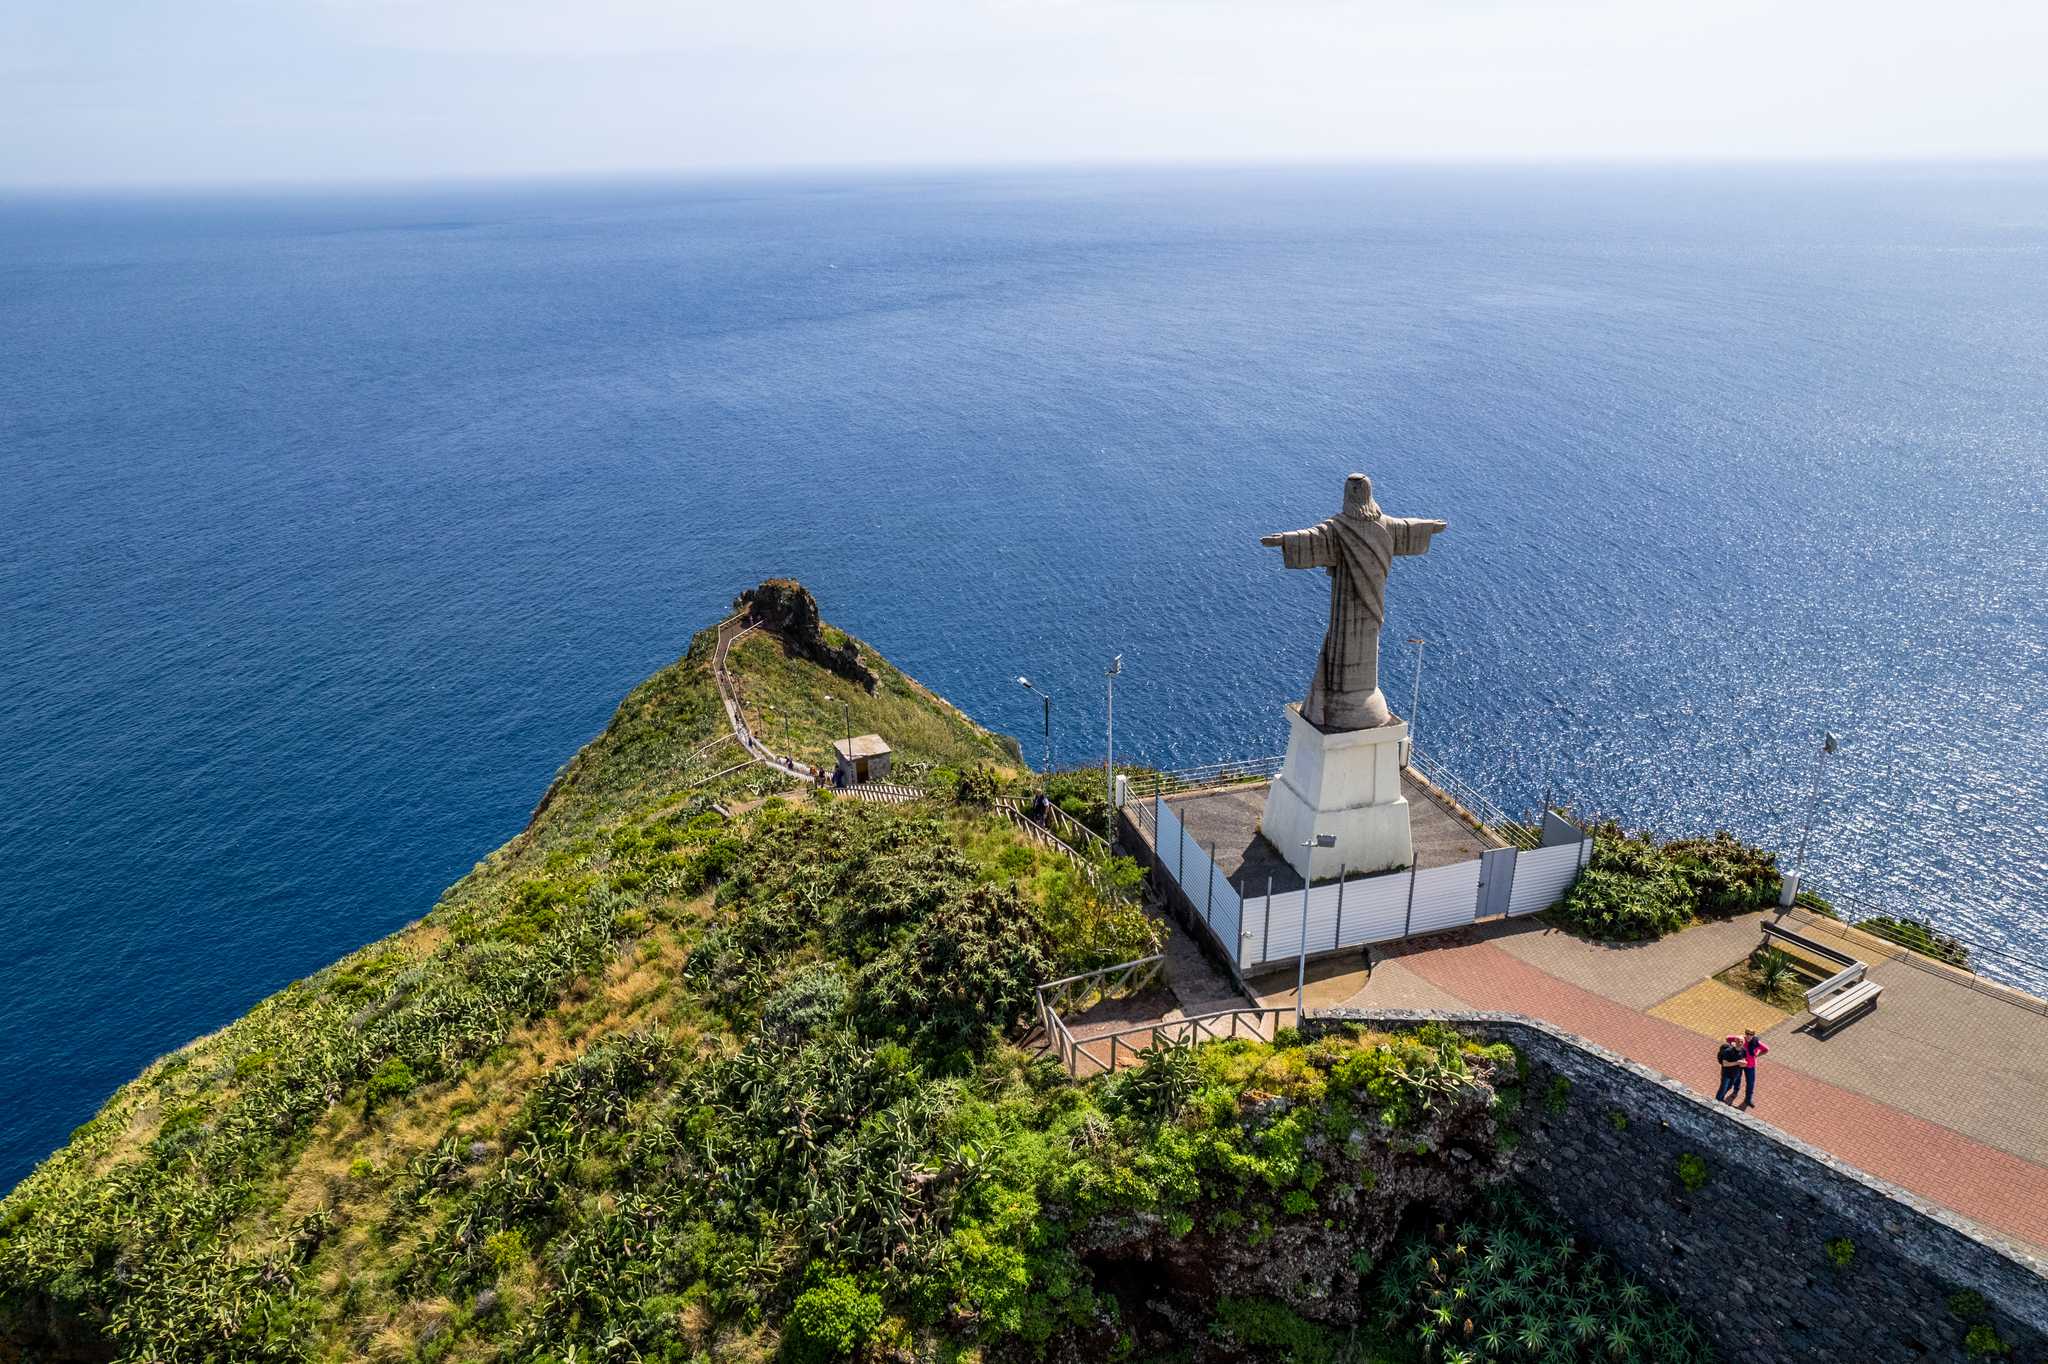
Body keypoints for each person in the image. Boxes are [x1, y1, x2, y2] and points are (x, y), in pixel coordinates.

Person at [1739, 1029, 1769, 1108]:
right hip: (1740, 1063)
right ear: (1745, 1033)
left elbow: (1766, 1049)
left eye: (1751, 1034)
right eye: (1747, 1034)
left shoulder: (1756, 1042)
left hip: (1750, 1066)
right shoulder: (1741, 1038)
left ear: (1753, 1035)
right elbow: (1728, 1038)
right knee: (1736, 1079)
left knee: (1750, 1083)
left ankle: (1748, 1099)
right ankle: (1735, 1091)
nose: (1749, 1036)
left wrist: (1756, 1056)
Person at [1715, 1035, 1745, 1105]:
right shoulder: (1729, 1051)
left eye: (1742, 1042)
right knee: (1723, 1088)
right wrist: (1737, 1062)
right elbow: (1725, 1063)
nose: (1740, 1043)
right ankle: (1717, 1101)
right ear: (1735, 1041)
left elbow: (1743, 1060)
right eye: (1738, 1041)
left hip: (1735, 1074)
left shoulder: (1743, 1050)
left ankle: (1721, 1099)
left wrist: (1744, 1063)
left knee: (1729, 1087)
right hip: (1726, 1074)